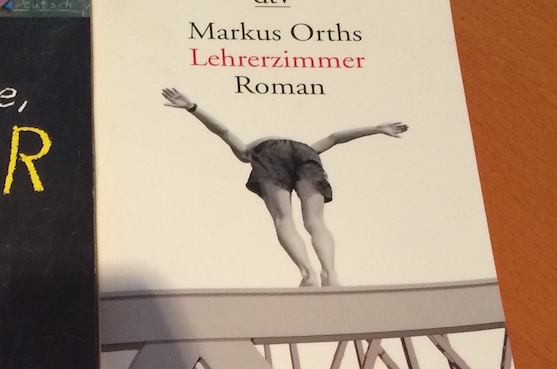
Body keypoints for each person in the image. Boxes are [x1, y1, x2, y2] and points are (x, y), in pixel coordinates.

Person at [161, 86, 405, 287]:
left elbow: (223, 131)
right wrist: (376, 129)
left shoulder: (248, 152)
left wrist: (193, 108)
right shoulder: (304, 148)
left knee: (283, 219)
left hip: (268, 151)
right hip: (306, 151)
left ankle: (308, 274)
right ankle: (330, 274)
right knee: (316, 222)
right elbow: (334, 138)